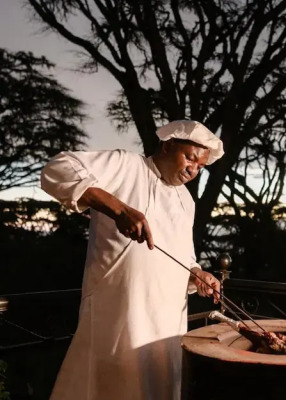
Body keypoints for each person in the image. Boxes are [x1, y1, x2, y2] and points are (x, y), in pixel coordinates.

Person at [40, 120, 224, 400]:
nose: (193, 170)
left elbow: (184, 255)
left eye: (200, 167)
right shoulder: (127, 165)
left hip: (167, 323)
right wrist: (119, 209)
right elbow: (58, 168)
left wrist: (197, 273)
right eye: (189, 157)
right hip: (120, 313)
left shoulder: (187, 200)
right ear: (167, 144)